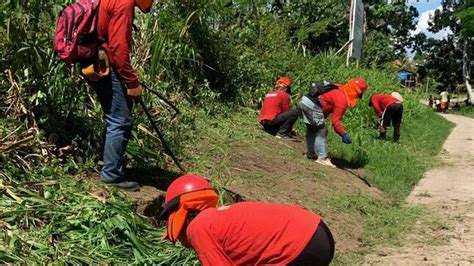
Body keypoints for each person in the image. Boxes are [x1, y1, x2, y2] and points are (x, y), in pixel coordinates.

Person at [159, 175, 335, 266]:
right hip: (314, 233)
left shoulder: (198, 227)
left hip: (300, 245)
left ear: (181, 214)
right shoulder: (220, 217)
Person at [87, 0, 155, 191]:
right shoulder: (124, 4)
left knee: (113, 114)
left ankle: (105, 162)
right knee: (120, 120)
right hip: (106, 63)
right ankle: (111, 177)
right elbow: (118, 49)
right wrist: (132, 82)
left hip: (93, 60)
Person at [299, 78, 368, 168]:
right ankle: (322, 158)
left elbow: (325, 103)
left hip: (305, 100)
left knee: (312, 129)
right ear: (356, 93)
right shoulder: (342, 100)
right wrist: (343, 134)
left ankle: (311, 153)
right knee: (322, 130)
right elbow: (336, 121)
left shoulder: (339, 87)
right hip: (313, 105)